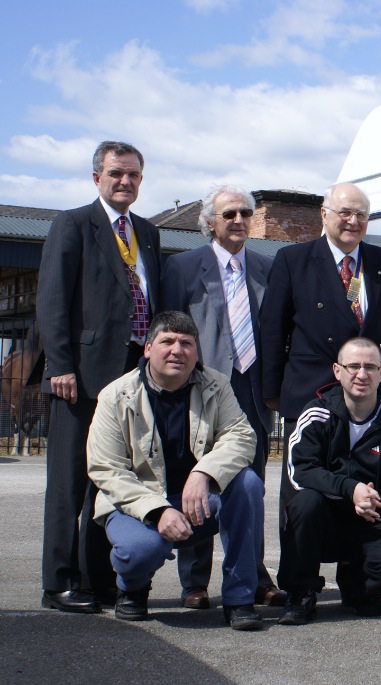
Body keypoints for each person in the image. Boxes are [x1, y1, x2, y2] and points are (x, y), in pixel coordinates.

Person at [36, 140, 161, 613]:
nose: (125, 182)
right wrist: (60, 364)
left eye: (133, 175)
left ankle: (98, 579)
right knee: (69, 482)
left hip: (134, 376)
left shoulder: (147, 232)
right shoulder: (72, 224)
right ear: (97, 179)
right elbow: (52, 300)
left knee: (112, 482)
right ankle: (59, 582)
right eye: (116, 174)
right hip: (82, 377)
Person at [86, 311, 265, 630]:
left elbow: (241, 435)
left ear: (196, 352)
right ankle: (132, 588)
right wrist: (157, 511)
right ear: (148, 349)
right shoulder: (116, 395)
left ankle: (240, 598)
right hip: (134, 507)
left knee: (247, 483)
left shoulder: (216, 384)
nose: (177, 350)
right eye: (167, 341)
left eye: (186, 343)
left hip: (195, 504)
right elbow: (106, 469)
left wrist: (205, 473)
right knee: (141, 550)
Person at [161, 185, 286, 611]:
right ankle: (194, 581)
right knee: (195, 482)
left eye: (245, 213)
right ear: (209, 222)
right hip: (199, 394)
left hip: (252, 396)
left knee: (250, 489)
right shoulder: (181, 268)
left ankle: (253, 577)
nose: (238, 221)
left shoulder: (268, 269)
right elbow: (169, 331)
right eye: (229, 213)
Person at [277, 337, 381, 625]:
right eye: (353, 366)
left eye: (370, 367)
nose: (361, 374)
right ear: (337, 371)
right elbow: (301, 470)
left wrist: (374, 503)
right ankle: (301, 592)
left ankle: (358, 588)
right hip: (324, 524)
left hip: (370, 523)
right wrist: (351, 488)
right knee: (305, 502)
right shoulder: (316, 414)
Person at [261, 181, 381, 444]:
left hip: (368, 401)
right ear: (324, 214)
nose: (353, 221)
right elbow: (272, 330)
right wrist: (272, 391)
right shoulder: (292, 260)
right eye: (345, 212)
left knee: (361, 483)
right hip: (311, 395)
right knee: (306, 482)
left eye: (361, 215)